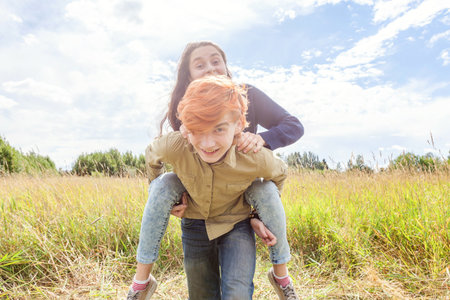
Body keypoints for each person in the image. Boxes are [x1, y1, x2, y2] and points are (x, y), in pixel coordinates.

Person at [127, 41, 304, 300]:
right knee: (166, 183)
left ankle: (281, 275)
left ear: (238, 123)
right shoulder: (183, 122)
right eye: (199, 65)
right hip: (197, 212)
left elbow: (290, 136)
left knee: (263, 190)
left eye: (215, 61)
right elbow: (157, 155)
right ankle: (142, 281)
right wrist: (166, 197)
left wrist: (262, 141)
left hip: (237, 211)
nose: (210, 68)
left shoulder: (247, 101)